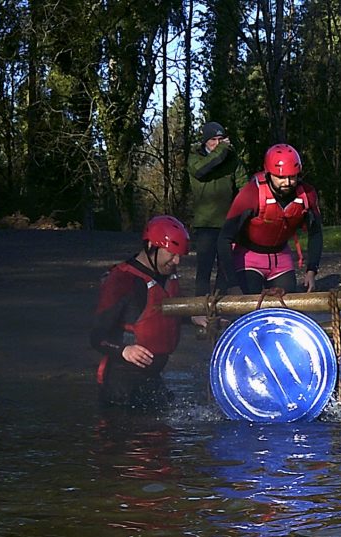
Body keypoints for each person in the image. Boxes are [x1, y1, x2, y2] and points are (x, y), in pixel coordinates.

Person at [89, 215, 194, 408]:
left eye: (179, 255)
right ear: (150, 247)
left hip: (152, 378)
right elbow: (97, 336)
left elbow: (162, 313)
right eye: (172, 253)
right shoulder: (121, 281)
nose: (177, 260)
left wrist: (195, 316)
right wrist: (124, 350)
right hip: (121, 384)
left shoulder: (165, 275)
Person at [217, 143, 324, 294]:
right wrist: (232, 282)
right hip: (249, 257)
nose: (287, 183)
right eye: (280, 177)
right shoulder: (251, 194)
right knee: (250, 306)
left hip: (281, 258)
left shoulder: (307, 195)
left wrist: (312, 270)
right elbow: (224, 238)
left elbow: (316, 233)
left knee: (285, 308)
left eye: (292, 177)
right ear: (268, 173)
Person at [186, 121, 248, 298]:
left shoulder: (232, 159)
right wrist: (222, 150)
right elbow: (201, 170)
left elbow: (244, 187)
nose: (217, 143)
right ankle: (199, 309)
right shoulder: (194, 158)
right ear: (205, 141)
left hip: (227, 223)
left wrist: (242, 216)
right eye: (213, 139)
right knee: (203, 270)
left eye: (221, 139)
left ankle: (221, 309)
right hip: (205, 224)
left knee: (226, 270)